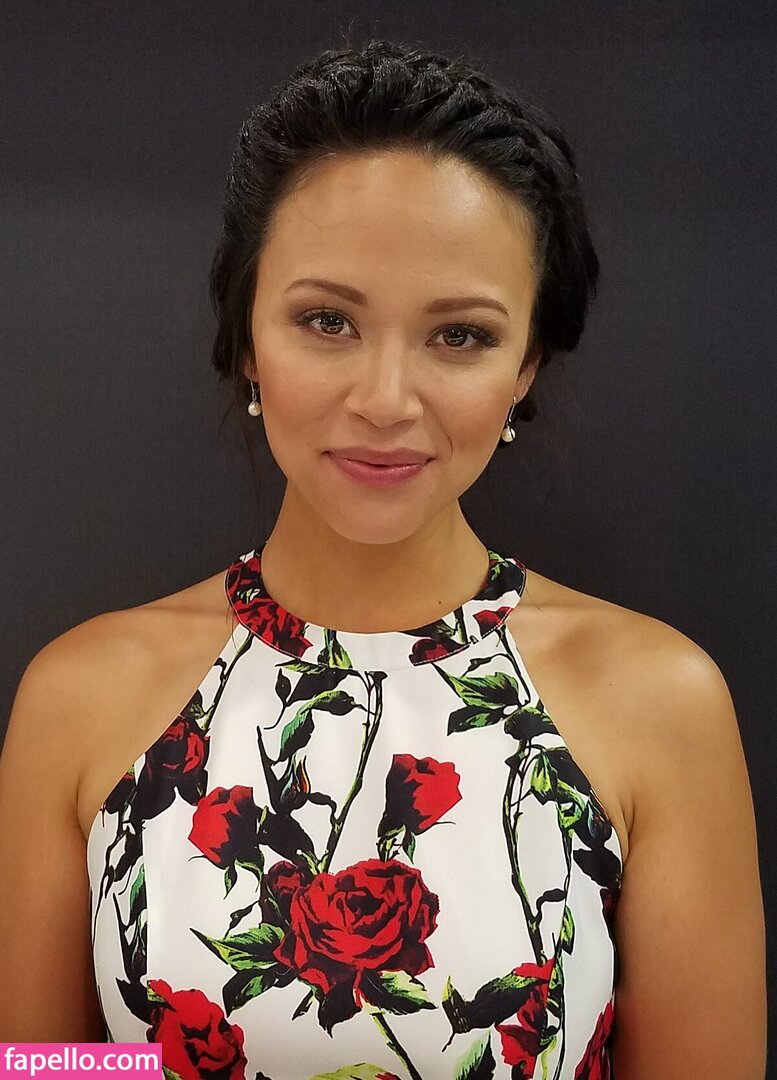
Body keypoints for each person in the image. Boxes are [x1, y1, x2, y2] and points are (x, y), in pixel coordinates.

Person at [0, 36, 766, 1080]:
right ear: (247, 337)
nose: (385, 400)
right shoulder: (80, 699)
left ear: (526, 365)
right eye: (327, 321)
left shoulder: (659, 703)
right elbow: (46, 1068)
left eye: (460, 336)